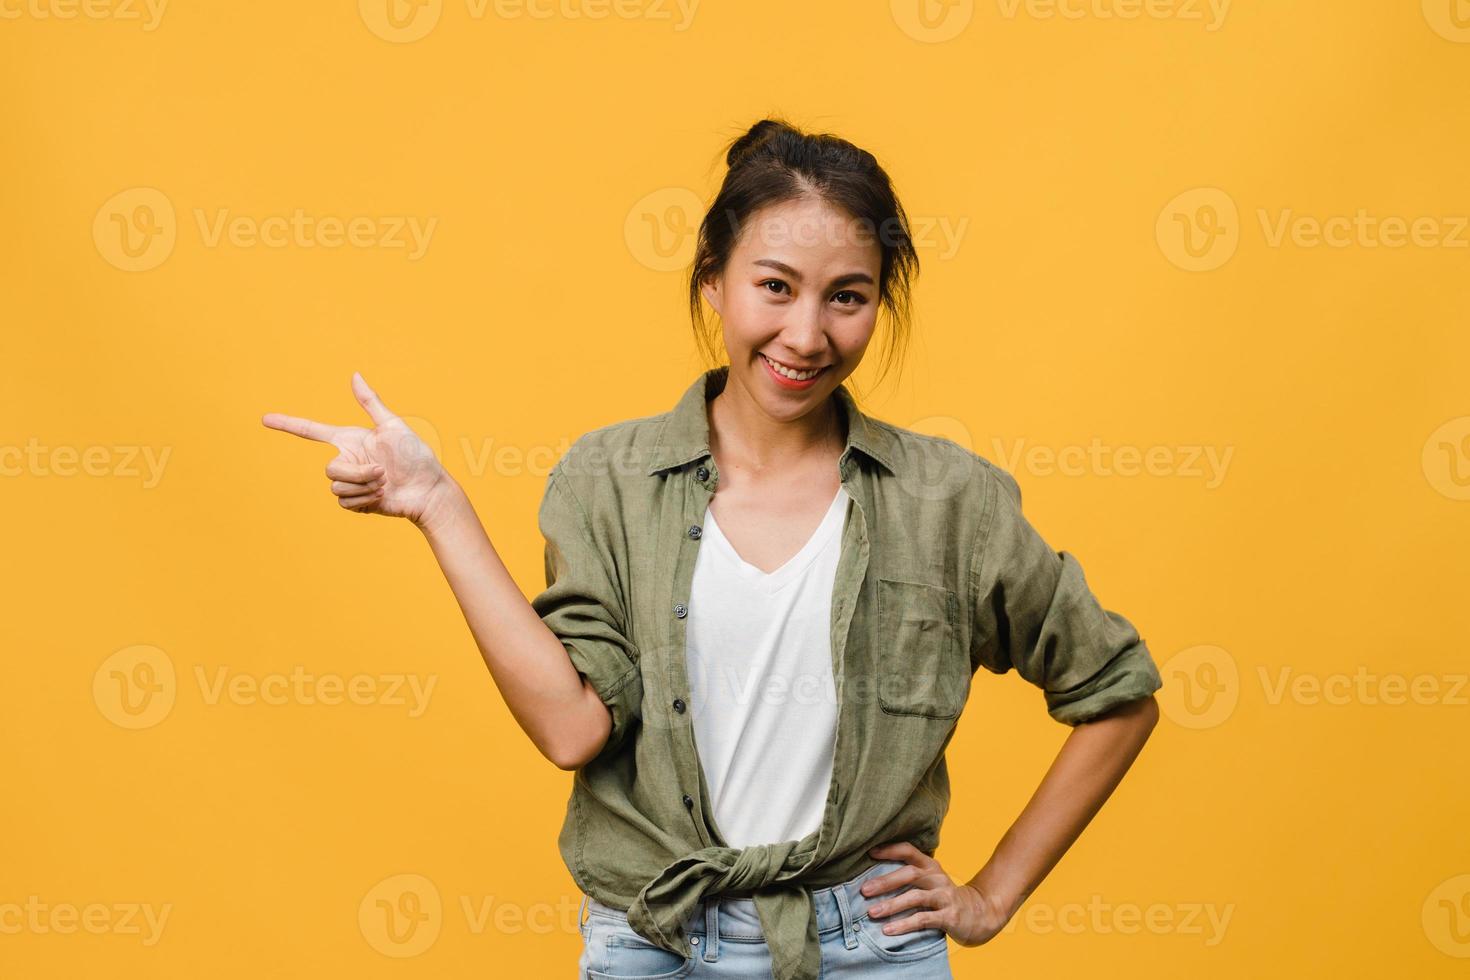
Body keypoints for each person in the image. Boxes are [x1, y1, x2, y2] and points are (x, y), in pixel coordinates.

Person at [262, 117, 1164, 980]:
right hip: (656, 945)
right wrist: (437, 505)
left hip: (872, 947)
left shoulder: (948, 501)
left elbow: (1117, 692)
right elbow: (573, 728)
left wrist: (990, 898)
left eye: (846, 297)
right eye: (774, 285)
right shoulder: (607, 480)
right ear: (712, 281)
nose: (807, 336)